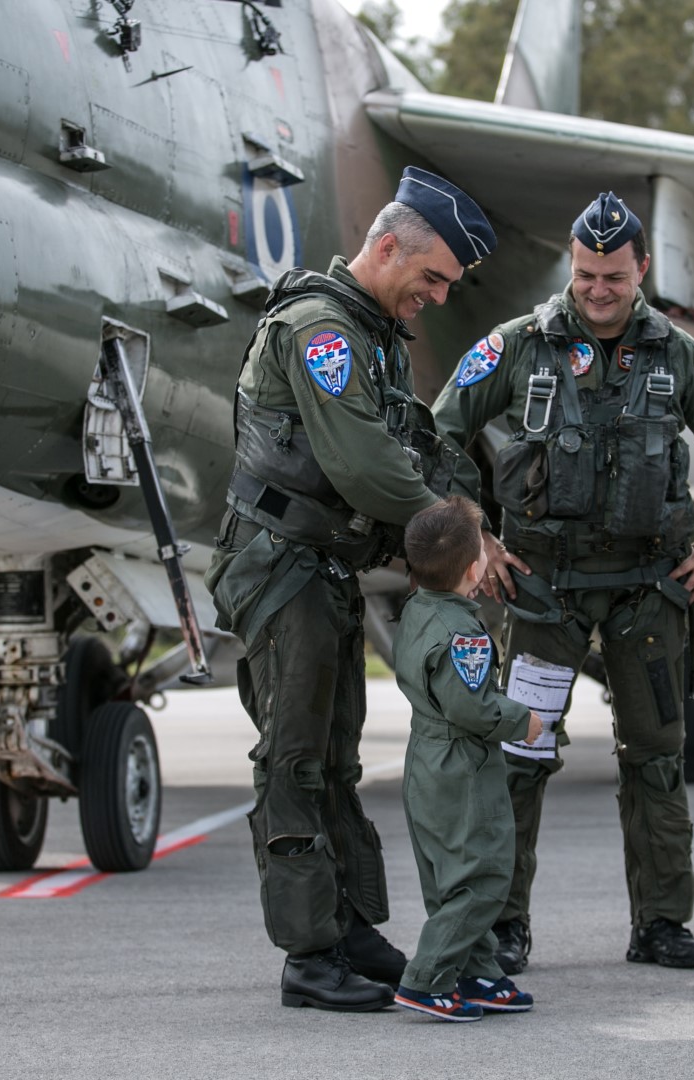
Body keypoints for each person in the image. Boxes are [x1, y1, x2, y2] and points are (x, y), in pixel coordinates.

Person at [432, 192, 694, 974]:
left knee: (655, 758)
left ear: (642, 268)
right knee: (522, 754)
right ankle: (502, 925)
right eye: (585, 275)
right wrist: (475, 532)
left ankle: (661, 924)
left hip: (648, 592)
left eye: (613, 276)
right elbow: (440, 429)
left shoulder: (677, 354)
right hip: (541, 592)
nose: (598, 290)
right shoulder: (518, 346)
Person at [206, 167, 497, 1012]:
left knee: (336, 758)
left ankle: (350, 927)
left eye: (448, 284)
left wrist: (481, 515)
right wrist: (457, 539)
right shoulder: (319, 330)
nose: (438, 297)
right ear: (385, 247)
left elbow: (415, 445)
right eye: (432, 277)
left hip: (324, 569)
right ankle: (308, 955)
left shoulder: (371, 337)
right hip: (279, 565)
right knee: (294, 758)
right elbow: (364, 465)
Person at [391, 496, 543, 1022]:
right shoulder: (461, 633)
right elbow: (471, 706)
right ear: (476, 568)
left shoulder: (417, 610)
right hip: (460, 766)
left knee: (449, 877)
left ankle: (477, 972)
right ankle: (426, 979)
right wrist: (523, 720)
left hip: (426, 761)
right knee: (480, 878)